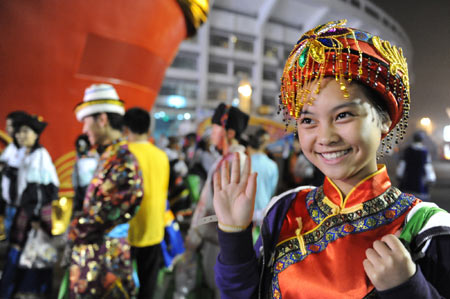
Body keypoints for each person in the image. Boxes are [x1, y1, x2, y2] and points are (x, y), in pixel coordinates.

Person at [213, 20, 450, 298]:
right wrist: (233, 235)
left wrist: (408, 289)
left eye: (343, 115)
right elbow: (244, 293)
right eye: (308, 120)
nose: (325, 137)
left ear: (384, 120)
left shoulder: (425, 228)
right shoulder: (285, 210)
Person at [68, 83, 143, 298]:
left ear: (102, 119)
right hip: (98, 261)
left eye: (86, 122)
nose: (84, 130)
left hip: (107, 264)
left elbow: (105, 213)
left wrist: (74, 229)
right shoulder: (110, 157)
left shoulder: (123, 161)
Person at [178, 103, 249, 299]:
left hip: (218, 240)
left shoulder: (235, 161)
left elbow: (223, 210)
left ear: (230, 132)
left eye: (216, 126)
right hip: (211, 236)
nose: (212, 131)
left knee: (218, 288)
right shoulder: (225, 159)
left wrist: (199, 226)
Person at [0, 114, 59, 298]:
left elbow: (39, 190)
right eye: (19, 132)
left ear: (36, 135)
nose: (20, 135)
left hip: (32, 213)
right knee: (22, 251)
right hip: (24, 210)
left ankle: (26, 290)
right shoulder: (26, 153)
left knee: (29, 252)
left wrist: (35, 217)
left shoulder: (39, 156)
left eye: (26, 132)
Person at [123, 107, 170, 299]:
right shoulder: (162, 156)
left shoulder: (123, 155)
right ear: (148, 129)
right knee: (148, 286)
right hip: (154, 229)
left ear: (126, 128)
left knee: (122, 286)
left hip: (126, 231)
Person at [0, 111, 28, 240]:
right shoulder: (11, 147)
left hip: (20, 205)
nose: (6, 129)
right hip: (9, 203)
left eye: (9, 125)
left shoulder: (26, 150)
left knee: (17, 239)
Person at [247, 128, 278, 228]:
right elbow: (272, 190)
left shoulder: (245, 163)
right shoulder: (272, 166)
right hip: (262, 213)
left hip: (244, 212)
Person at [397, 130, 436, 201]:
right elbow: (428, 166)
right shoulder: (424, 152)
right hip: (420, 182)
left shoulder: (407, 150)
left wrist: (399, 174)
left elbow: (402, 164)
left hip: (407, 181)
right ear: (422, 140)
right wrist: (431, 178)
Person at [71, 134, 98, 216]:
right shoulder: (77, 161)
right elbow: (75, 179)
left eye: (83, 145)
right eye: (79, 146)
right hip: (81, 191)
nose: (81, 148)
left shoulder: (95, 157)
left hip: (94, 189)